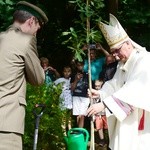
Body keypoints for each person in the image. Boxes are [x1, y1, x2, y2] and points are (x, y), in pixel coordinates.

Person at [87, 14, 150, 150]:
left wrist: (104, 104)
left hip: (141, 119)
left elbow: (135, 89)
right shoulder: (123, 64)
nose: (115, 55)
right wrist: (100, 93)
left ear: (128, 44)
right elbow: (114, 84)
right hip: (126, 117)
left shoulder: (144, 60)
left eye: (117, 50)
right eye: (112, 51)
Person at [0, 1, 48, 149]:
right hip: (6, 125)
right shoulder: (24, 41)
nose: (35, 33)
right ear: (31, 21)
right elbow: (39, 79)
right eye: (37, 29)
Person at [71, 60, 93, 128]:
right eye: (78, 65)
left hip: (85, 96)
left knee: (82, 115)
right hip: (76, 96)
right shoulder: (73, 75)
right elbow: (72, 88)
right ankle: (79, 130)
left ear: (83, 65)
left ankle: (80, 131)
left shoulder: (88, 75)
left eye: (81, 65)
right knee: (78, 115)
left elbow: (90, 86)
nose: (80, 66)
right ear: (76, 65)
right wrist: (76, 80)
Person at [54, 66, 72, 135]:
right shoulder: (60, 80)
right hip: (63, 98)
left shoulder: (71, 79)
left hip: (70, 99)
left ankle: (70, 130)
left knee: (69, 116)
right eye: (65, 72)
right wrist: (58, 90)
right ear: (63, 72)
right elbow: (53, 86)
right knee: (63, 116)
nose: (67, 73)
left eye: (68, 72)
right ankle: (63, 132)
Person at [94, 80, 108, 147]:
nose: (97, 87)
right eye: (96, 86)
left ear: (102, 85)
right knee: (99, 127)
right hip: (97, 113)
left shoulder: (105, 92)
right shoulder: (94, 92)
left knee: (107, 126)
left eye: (98, 86)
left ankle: (108, 138)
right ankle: (102, 140)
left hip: (105, 112)